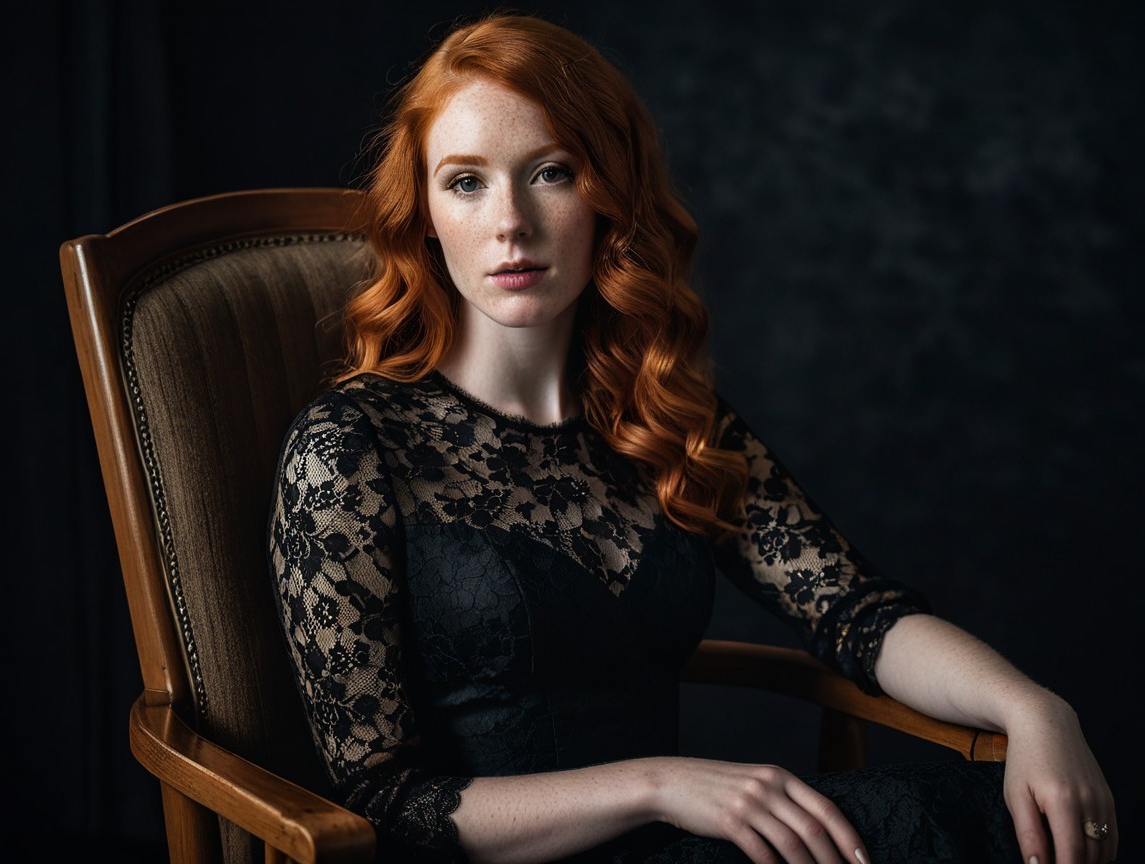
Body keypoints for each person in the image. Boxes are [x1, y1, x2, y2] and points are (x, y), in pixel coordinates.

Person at [267, 11, 1116, 864]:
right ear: (422, 214)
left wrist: (1033, 708)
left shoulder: (661, 417)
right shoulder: (349, 448)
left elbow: (856, 615)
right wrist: (660, 783)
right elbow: (382, 800)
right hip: (502, 853)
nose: (511, 222)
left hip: (679, 845)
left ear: (608, 197)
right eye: (465, 182)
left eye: (551, 172)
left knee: (992, 819)